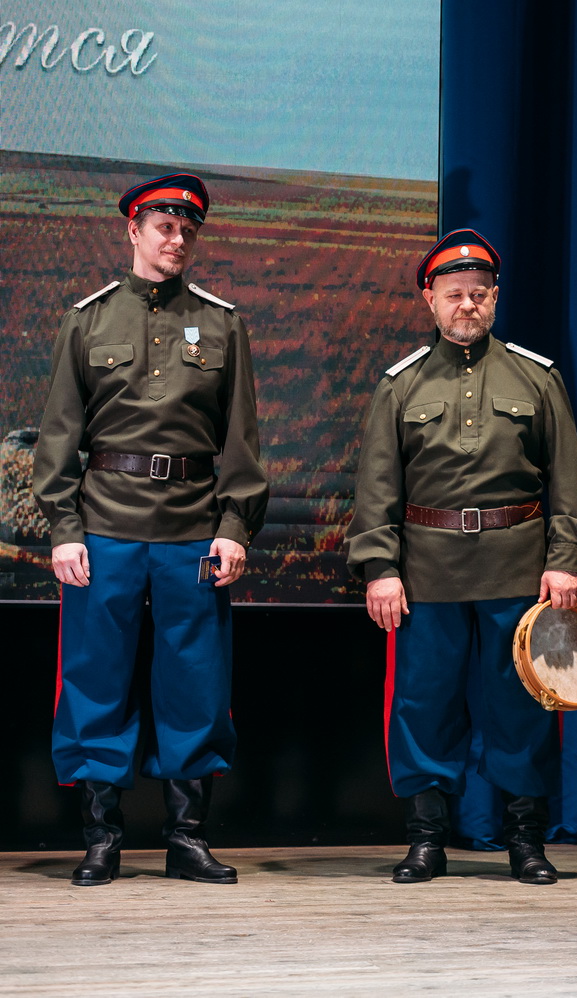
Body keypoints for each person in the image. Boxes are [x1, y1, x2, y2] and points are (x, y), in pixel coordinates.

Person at [33, 173, 268, 886]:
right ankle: (102, 838)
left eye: (188, 230)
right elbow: (59, 434)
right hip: (105, 525)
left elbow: (241, 439)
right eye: (165, 227)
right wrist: (64, 527)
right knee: (95, 678)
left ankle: (186, 838)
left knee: (195, 684)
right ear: (132, 230)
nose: (178, 239)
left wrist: (235, 525)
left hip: (192, 528)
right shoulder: (88, 320)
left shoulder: (223, 324)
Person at [346, 229, 577, 885]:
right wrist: (381, 568)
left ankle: (526, 842)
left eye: (479, 294)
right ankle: (426, 840)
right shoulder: (400, 384)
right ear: (429, 299)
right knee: (423, 705)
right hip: (426, 573)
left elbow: (569, 478)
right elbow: (377, 487)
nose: (467, 305)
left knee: (522, 705)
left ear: (495, 297)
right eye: (454, 294)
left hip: (519, 570)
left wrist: (564, 558)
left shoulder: (536, 377)